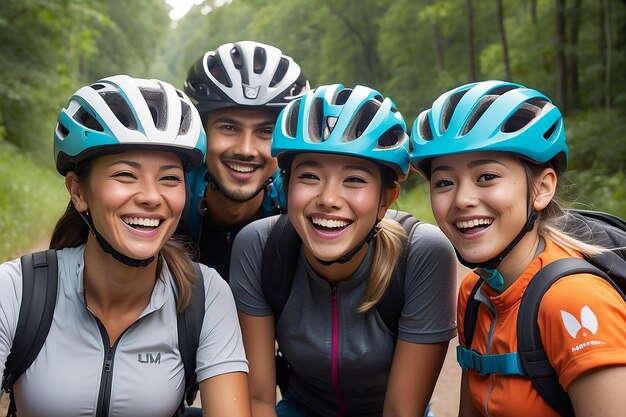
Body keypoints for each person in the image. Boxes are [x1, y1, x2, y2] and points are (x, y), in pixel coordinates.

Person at [0, 75, 251, 417]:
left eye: (169, 178)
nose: (151, 197)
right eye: (125, 175)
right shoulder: (16, 290)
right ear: (78, 191)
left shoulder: (204, 295)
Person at [229, 84, 458, 417]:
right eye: (309, 175)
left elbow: (401, 412)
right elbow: (258, 400)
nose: (329, 199)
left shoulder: (422, 253)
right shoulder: (260, 246)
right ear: (286, 185)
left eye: (354, 179)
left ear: (386, 199)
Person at [409, 80, 626, 416]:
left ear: (542, 188)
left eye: (487, 177)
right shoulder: (473, 292)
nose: (462, 199)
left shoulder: (574, 299)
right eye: (444, 182)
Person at [180, 40, 310, 280]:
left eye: (265, 132)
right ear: (201, 132)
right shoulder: (173, 197)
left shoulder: (297, 203)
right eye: (229, 127)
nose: (246, 149)